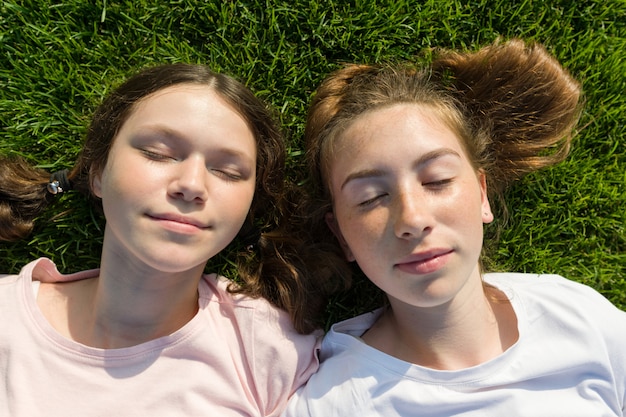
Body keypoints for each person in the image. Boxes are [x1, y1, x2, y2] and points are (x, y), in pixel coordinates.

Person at [283, 39, 626, 416]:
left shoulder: (578, 316)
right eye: (370, 198)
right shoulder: (331, 405)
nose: (412, 219)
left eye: (437, 180)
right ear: (341, 236)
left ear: (482, 195)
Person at [0, 63, 332, 416]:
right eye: (157, 152)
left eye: (228, 171)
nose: (191, 184)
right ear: (97, 172)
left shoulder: (271, 353)